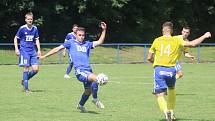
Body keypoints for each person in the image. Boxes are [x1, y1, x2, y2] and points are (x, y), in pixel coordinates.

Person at [147, 21, 211, 121]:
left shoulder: (157, 40)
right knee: (172, 89)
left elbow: (149, 57)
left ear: (162, 30)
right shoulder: (177, 40)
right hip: (172, 70)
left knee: (159, 94)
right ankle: (171, 111)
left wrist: (155, 64)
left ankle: (166, 111)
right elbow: (193, 44)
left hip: (159, 69)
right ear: (172, 31)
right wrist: (204, 36)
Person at [39, 22, 108, 112]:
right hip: (80, 71)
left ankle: (80, 105)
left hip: (88, 70)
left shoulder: (87, 44)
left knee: (88, 91)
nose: (81, 37)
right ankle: (95, 99)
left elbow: (100, 42)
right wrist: (44, 56)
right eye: (79, 35)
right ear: (75, 34)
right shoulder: (70, 43)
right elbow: (57, 49)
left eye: (83, 35)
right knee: (97, 78)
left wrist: (104, 30)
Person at [14, 12, 41, 93]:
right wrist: (16, 49)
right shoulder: (22, 28)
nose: (30, 20)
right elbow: (16, 38)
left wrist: (39, 50)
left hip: (32, 51)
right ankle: (26, 89)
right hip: (24, 51)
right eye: (28, 19)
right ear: (25, 20)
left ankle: (24, 79)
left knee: (36, 69)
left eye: (31, 19)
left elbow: (36, 39)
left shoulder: (35, 28)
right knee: (26, 68)